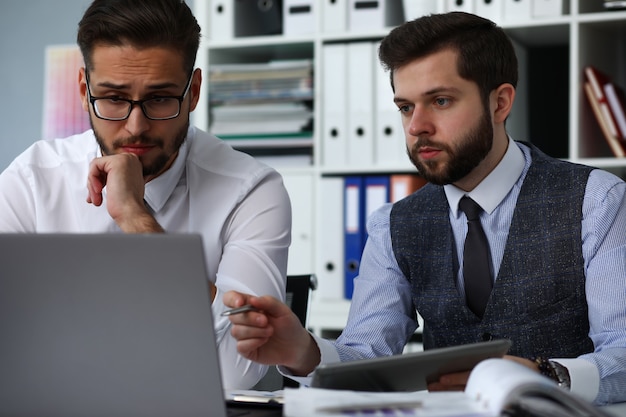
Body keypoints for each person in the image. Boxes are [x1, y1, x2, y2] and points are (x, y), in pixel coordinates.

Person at [224, 12, 626, 405]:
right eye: (405, 107)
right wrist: (304, 351)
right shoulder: (393, 225)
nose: (417, 126)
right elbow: (367, 356)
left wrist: (545, 375)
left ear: (501, 103)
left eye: (441, 100)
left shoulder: (596, 201)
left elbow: (623, 356)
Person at [0, 0, 291, 390]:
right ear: (85, 89)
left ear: (194, 91)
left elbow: (235, 372)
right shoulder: (33, 180)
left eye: (159, 99)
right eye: (115, 99)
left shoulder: (252, 190)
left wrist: (138, 221)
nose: (136, 127)